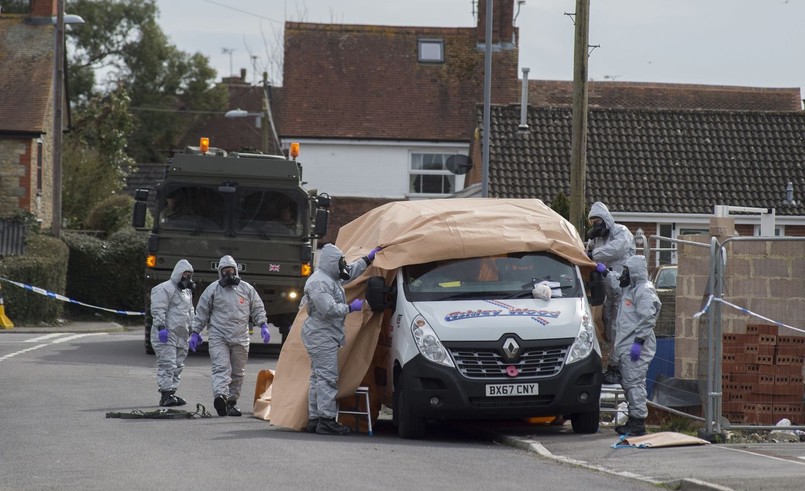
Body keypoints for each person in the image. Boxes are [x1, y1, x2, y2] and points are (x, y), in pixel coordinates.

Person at [301, 243, 381, 435]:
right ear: (331, 263)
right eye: (340, 262)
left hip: (324, 333)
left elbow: (349, 272)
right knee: (327, 378)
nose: (343, 266)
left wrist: (368, 259)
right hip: (321, 334)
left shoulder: (331, 278)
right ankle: (327, 420)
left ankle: (315, 418)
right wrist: (350, 308)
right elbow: (328, 310)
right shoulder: (319, 282)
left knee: (318, 378)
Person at [189, 255, 271, 417]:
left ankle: (231, 402)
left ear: (236, 271)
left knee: (238, 372)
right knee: (221, 368)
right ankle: (221, 396)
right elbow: (202, 311)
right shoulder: (212, 290)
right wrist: (195, 331)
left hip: (240, 336)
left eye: (231, 270)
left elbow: (257, 308)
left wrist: (263, 325)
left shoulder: (246, 289)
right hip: (219, 336)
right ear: (220, 272)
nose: (228, 274)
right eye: (225, 271)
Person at [597, 255, 661, 436]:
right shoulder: (630, 289)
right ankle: (634, 418)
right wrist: (606, 272)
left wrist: (639, 342)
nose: (623, 275)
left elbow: (648, 318)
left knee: (634, 383)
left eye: (626, 271)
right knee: (628, 383)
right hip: (627, 346)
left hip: (637, 347)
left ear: (634, 273)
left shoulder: (644, 291)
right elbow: (617, 282)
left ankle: (638, 422)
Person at [586, 201, 635, 385]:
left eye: (598, 221)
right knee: (605, 324)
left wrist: (593, 255)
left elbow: (615, 250)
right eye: (593, 222)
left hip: (622, 288)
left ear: (606, 219)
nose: (595, 226)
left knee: (617, 325)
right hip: (608, 288)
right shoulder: (598, 238)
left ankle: (617, 367)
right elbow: (589, 252)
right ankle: (609, 364)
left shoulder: (621, 232)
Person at [150, 259, 195, 407]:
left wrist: (193, 331)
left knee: (178, 365)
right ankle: (165, 394)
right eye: (184, 274)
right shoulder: (164, 289)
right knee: (167, 364)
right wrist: (161, 327)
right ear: (178, 273)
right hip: (166, 334)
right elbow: (158, 309)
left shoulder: (187, 292)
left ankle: (172, 393)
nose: (187, 277)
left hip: (181, 335)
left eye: (189, 274)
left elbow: (190, 312)